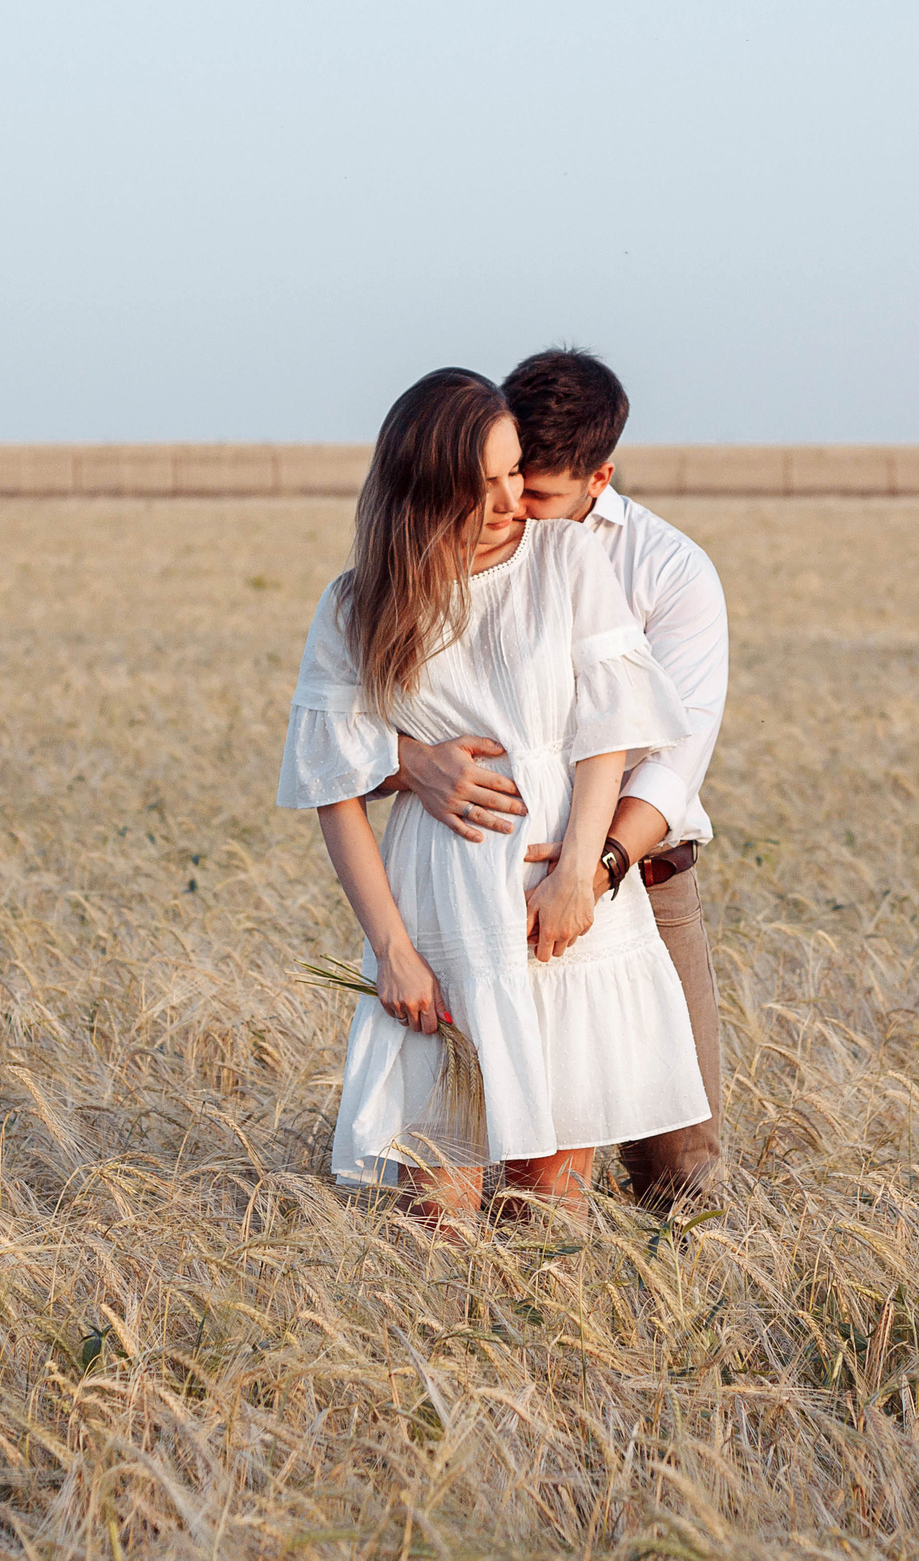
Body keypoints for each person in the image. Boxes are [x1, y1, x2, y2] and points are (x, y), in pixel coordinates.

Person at [276, 367, 711, 1227]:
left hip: (560, 913)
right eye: (486, 484)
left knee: (549, 1209)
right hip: (442, 920)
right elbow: (335, 784)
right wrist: (392, 949)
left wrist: (577, 876)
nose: (513, 500)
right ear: (424, 489)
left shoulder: (567, 558)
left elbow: (606, 731)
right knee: (435, 1217)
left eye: (516, 473)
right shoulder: (359, 602)